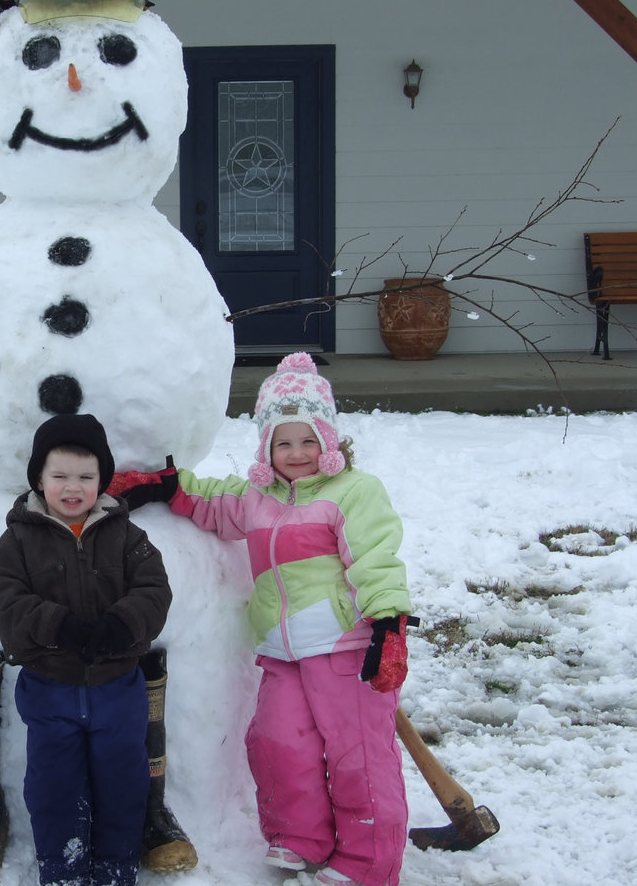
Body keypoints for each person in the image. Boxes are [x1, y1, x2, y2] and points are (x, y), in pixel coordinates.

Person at [116, 353, 415, 886]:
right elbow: (212, 502)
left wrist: (388, 624)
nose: (296, 454)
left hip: (347, 649)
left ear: (329, 439)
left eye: (307, 440)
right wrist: (167, 486)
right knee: (279, 743)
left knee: (359, 757)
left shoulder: (354, 493)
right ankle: (299, 839)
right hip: (282, 651)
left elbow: (376, 559)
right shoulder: (258, 498)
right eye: (283, 442)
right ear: (265, 446)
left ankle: (369, 862)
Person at [0, 414, 172, 886]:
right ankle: (62, 869)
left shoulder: (126, 536)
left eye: (86, 477)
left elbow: (154, 589)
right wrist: (59, 626)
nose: (73, 487)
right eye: (60, 476)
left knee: (123, 784)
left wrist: (120, 625)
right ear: (39, 480)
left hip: (118, 689)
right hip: (50, 688)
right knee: (54, 788)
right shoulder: (16, 543)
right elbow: (7, 602)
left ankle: (115, 867)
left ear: (101, 482)